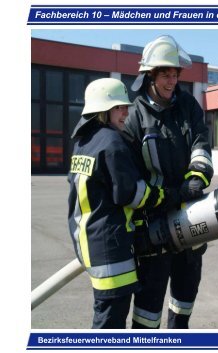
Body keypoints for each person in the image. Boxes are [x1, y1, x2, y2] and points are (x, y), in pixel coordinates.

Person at [67, 78, 178, 328]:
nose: (126, 112)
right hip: (111, 249)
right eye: (119, 107)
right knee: (110, 325)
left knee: (105, 316)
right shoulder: (112, 142)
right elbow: (130, 193)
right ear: (103, 111)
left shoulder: (83, 143)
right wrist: (164, 196)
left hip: (89, 243)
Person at [124, 35, 213, 329]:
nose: (172, 81)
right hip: (154, 226)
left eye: (175, 75)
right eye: (166, 74)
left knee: (184, 299)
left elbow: (201, 142)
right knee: (147, 312)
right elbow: (129, 175)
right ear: (150, 75)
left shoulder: (187, 105)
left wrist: (196, 179)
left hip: (190, 216)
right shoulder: (134, 115)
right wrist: (165, 198)